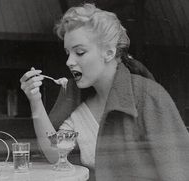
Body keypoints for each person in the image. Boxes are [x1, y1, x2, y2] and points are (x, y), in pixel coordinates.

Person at [20, 3, 189, 181]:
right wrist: (35, 100)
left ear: (108, 53)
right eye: (68, 53)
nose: (69, 61)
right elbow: (55, 155)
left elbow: (180, 172)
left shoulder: (148, 96)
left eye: (79, 52)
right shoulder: (76, 101)